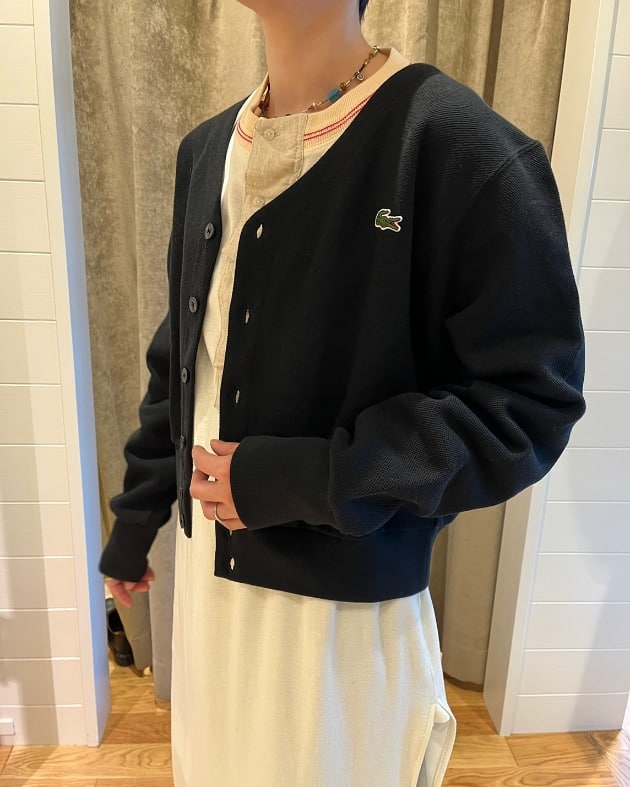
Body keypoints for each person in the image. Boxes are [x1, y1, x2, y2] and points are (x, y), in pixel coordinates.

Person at [100, 0, 586, 784]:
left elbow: (530, 402)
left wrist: (311, 478)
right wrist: (137, 516)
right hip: (207, 589)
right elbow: (185, 359)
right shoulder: (207, 151)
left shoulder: (454, 147)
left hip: (336, 621)